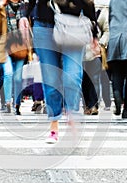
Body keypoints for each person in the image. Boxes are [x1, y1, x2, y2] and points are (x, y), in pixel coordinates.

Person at [29, 0, 98, 143]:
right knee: (51, 78)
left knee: (72, 76)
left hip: (73, 23)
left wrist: (94, 31)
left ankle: (72, 114)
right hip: (43, 23)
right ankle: (54, 125)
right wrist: (25, 15)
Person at [0, 0, 33, 115]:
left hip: (20, 48)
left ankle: (16, 104)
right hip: (5, 48)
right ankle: (8, 103)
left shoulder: (26, 8)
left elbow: (29, 32)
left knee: (18, 78)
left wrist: (30, 51)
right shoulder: (2, 9)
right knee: (8, 73)